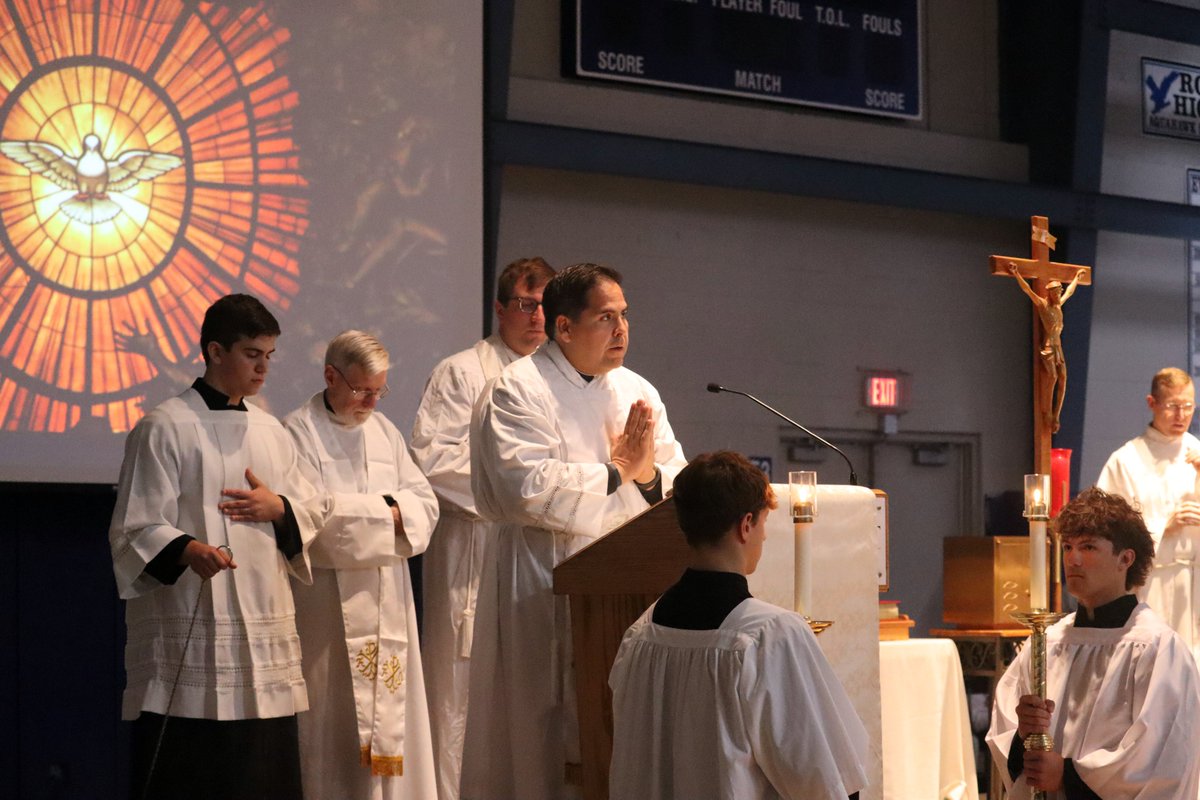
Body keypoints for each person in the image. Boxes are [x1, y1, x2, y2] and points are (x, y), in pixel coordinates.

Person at [460, 263, 688, 800]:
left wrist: (647, 474)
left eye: (625, 316)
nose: (621, 330)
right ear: (564, 328)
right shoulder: (515, 389)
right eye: (606, 317)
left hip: (624, 584)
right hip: (537, 577)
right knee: (536, 724)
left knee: (617, 719)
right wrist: (615, 473)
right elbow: (525, 487)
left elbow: (675, 476)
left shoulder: (636, 390)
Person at [109, 293, 331, 800]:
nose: (263, 368)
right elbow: (134, 525)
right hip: (192, 620)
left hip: (261, 621)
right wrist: (188, 549)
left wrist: (281, 510)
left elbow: (311, 507)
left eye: (269, 356)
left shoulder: (272, 432)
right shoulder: (164, 425)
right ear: (215, 351)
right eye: (253, 354)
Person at [608, 451, 869, 800]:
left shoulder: (640, 634)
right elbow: (824, 780)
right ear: (746, 525)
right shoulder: (769, 635)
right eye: (763, 524)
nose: (763, 537)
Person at [410, 256, 555, 800]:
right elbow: (431, 457)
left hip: (537, 560)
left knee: (528, 696)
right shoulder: (462, 372)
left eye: (546, 306)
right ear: (499, 309)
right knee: (462, 698)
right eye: (525, 303)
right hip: (474, 551)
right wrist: (515, 496)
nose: (537, 317)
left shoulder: (559, 380)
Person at [283, 331, 439, 799]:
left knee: (395, 719)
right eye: (361, 390)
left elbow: (424, 506)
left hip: (389, 595)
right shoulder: (297, 432)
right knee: (332, 723)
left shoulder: (384, 431)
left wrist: (383, 512)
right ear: (331, 375)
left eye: (379, 390)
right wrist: (386, 513)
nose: (371, 401)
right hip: (325, 608)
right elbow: (312, 522)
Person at [986, 487, 1200, 800]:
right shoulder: (1049, 642)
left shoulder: (1157, 649)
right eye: (1068, 546)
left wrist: (1066, 775)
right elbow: (1004, 733)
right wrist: (1023, 735)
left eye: (1088, 547)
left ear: (1125, 559)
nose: (1072, 559)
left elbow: (1163, 758)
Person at [1097, 367, 1200, 656]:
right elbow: (1110, 529)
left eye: (1188, 406)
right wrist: (1163, 524)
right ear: (1151, 403)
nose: (1181, 415)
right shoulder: (1127, 461)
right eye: (1172, 406)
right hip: (1153, 584)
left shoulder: (1197, 453)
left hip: (1195, 585)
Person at [1007, 264, 1086, 434]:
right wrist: (1017, 273)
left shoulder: (1058, 305)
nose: (1059, 295)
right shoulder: (1044, 305)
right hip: (1048, 347)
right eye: (1056, 293)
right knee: (1052, 376)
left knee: (1063, 378)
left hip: (1058, 347)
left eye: (1059, 292)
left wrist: (1076, 279)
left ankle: (1056, 414)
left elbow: (1070, 292)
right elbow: (1028, 290)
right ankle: (1046, 412)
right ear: (1050, 293)